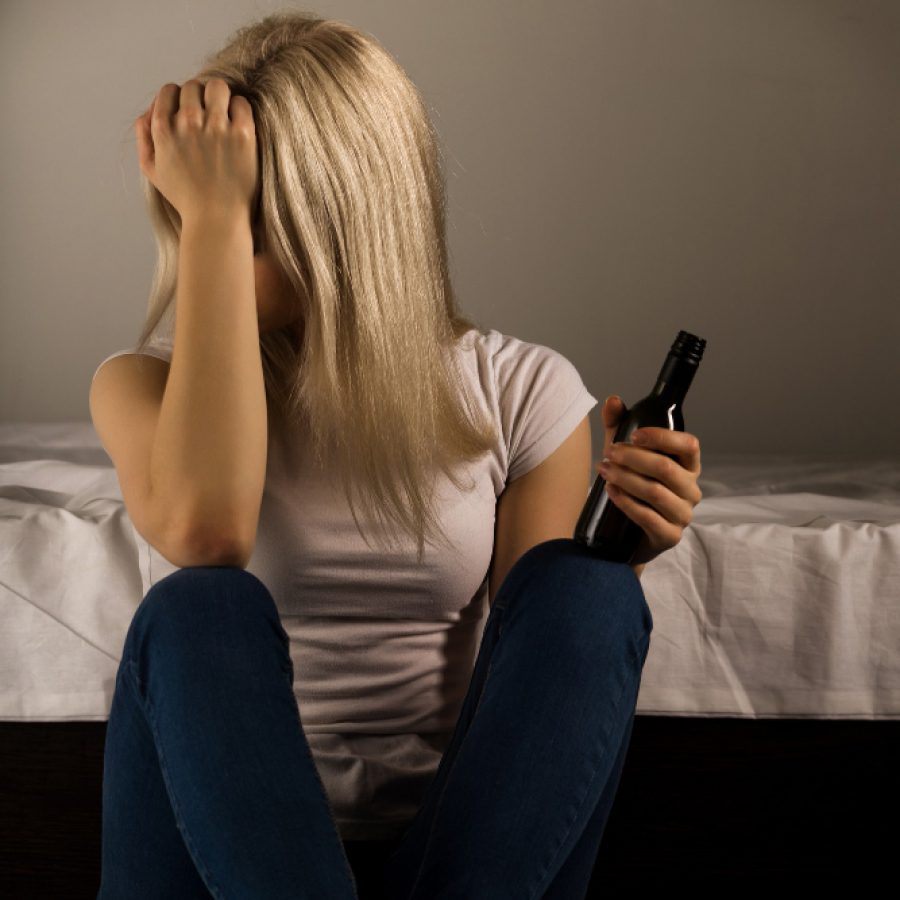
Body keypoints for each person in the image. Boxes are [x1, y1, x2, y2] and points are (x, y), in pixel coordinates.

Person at [90, 10, 703, 899]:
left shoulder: (522, 391)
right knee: (197, 610)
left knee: (589, 589)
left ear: (337, 227)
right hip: (214, 864)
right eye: (195, 226)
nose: (202, 254)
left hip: (457, 867)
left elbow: (538, 663)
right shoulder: (139, 388)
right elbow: (208, 531)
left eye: (242, 229)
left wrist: (630, 543)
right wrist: (219, 213)